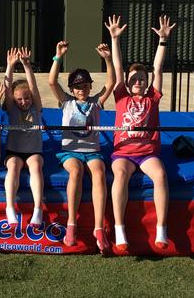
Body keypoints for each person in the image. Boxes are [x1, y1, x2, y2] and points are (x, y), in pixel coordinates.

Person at [107, 14, 175, 252]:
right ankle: (119, 229)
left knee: (160, 176)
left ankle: (161, 228)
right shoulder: (121, 95)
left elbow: (157, 68)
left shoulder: (152, 98)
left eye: (141, 79)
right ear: (127, 81)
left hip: (147, 152)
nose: (137, 81)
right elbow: (117, 67)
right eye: (133, 78)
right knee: (121, 177)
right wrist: (115, 40)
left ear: (147, 83)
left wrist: (163, 41)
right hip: (123, 153)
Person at [48, 40, 115, 254]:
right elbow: (51, 82)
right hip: (70, 151)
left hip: (92, 151)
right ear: (71, 88)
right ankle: (71, 224)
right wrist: (58, 56)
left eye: (85, 86)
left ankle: (98, 229)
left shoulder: (95, 103)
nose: (81, 90)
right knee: (75, 172)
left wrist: (107, 59)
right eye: (77, 86)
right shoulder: (66, 102)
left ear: (90, 86)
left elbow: (111, 83)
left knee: (99, 172)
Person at [3, 47, 44, 229]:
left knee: (35, 166)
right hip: (14, 151)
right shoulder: (12, 108)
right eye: (19, 99)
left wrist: (27, 66)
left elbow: (33, 87)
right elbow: (6, 90)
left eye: (26, 98)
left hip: (33, 151)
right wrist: (10, 66)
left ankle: (37, 210)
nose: (24, 102)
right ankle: (10, 207)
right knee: (13, 166)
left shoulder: (36, 108)